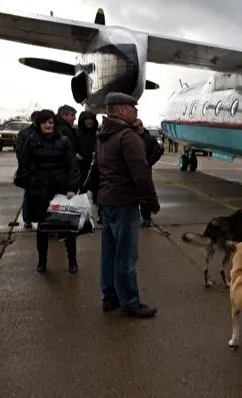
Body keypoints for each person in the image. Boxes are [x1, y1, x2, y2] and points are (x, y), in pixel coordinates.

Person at [96, 92, 160, 318]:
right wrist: (151, 201)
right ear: (122, 110)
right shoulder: (128, 136)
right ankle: (131, 302)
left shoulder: (103, 135)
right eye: (133, 108)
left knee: (110, 253)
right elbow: (141, 173)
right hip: (124, 202)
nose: (136, 112)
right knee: (126, 256)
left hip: (107, 200)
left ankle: (110, 296)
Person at [13, 109, 82, 273]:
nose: (48, 125)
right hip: (40, 189)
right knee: (42, 227)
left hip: (61, 189)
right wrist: (31, 182)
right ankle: (42, 261)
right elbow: (24, 166)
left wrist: (72, 187)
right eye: (44, 122)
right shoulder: (31, 141)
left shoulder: (64, 141)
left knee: (67, 226)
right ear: (38, 124)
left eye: (50, 122)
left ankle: (72, 260)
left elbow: (72, 166)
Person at [133, 118, 163, 227]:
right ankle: (134, 216)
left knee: (146, 195)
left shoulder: (149, 139)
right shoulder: (130, 139)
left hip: (145, 171)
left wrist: (148, 163)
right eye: (137, 127)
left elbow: (158, 151)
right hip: (132, 171)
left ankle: (147, 218)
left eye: (141, 125)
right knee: (133, 195)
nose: (140, 128)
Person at [75, 111, 102, 224]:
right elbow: (70, 147)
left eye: (91, 119)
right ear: (82, 121)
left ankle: (102, 215)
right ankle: (83, 216)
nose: (89, 121)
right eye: (86, 119)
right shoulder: (76, 133)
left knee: (99, 194)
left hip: (97, 169)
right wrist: (75, 153)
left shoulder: (98, 133)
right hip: (82, 168)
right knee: (82, 194)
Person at [15, 110, 39, 229]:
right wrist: (25, 168)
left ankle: (31, 219)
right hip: (29, 170)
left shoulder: (42, 131)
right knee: (28, 195)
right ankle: (27, 219)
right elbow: (20, 153)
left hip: (39, 169)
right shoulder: (25, 133)